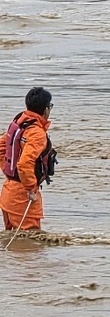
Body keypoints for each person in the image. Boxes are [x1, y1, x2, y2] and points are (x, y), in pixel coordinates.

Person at [2, 87, 56, 232]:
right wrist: (31, 188)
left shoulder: (19, 123)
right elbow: (25, 163)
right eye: (50, 107)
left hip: (8, 192)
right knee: (31, 242)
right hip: (23, 197)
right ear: (46, 109)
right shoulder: (37, 133)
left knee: (14, 240)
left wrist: (9, 171)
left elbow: (2, 147)